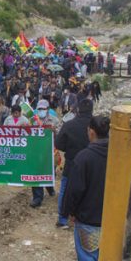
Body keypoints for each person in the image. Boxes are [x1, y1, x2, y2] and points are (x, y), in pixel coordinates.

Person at [62, 115, 110, 261]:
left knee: (88, 260)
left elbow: (74, 190)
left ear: (91, 131)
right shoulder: (118, 155)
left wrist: (69, 211)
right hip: (112, 220)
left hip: (88, 219)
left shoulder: (84, 157)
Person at [54, 98, 93, 229]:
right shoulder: (97, 125)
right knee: (90, 191)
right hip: (92, 164)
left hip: (72, 162)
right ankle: (84, 219)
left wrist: (69, 148)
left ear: (78, 110)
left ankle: (62, 219)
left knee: (65, 190)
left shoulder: (69, 125)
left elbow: (59, 144)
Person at [30, 99, 58, 208]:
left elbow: (60, 136)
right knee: (36, 172)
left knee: (50, 172)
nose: (41, 110)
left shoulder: (54, 120)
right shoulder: (33, 120)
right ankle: (37, 197)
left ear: (48, 109)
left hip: (50, 151)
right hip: (36, 151)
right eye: (39, 109)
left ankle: (49, 187)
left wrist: (54, 131)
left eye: (43, 109)